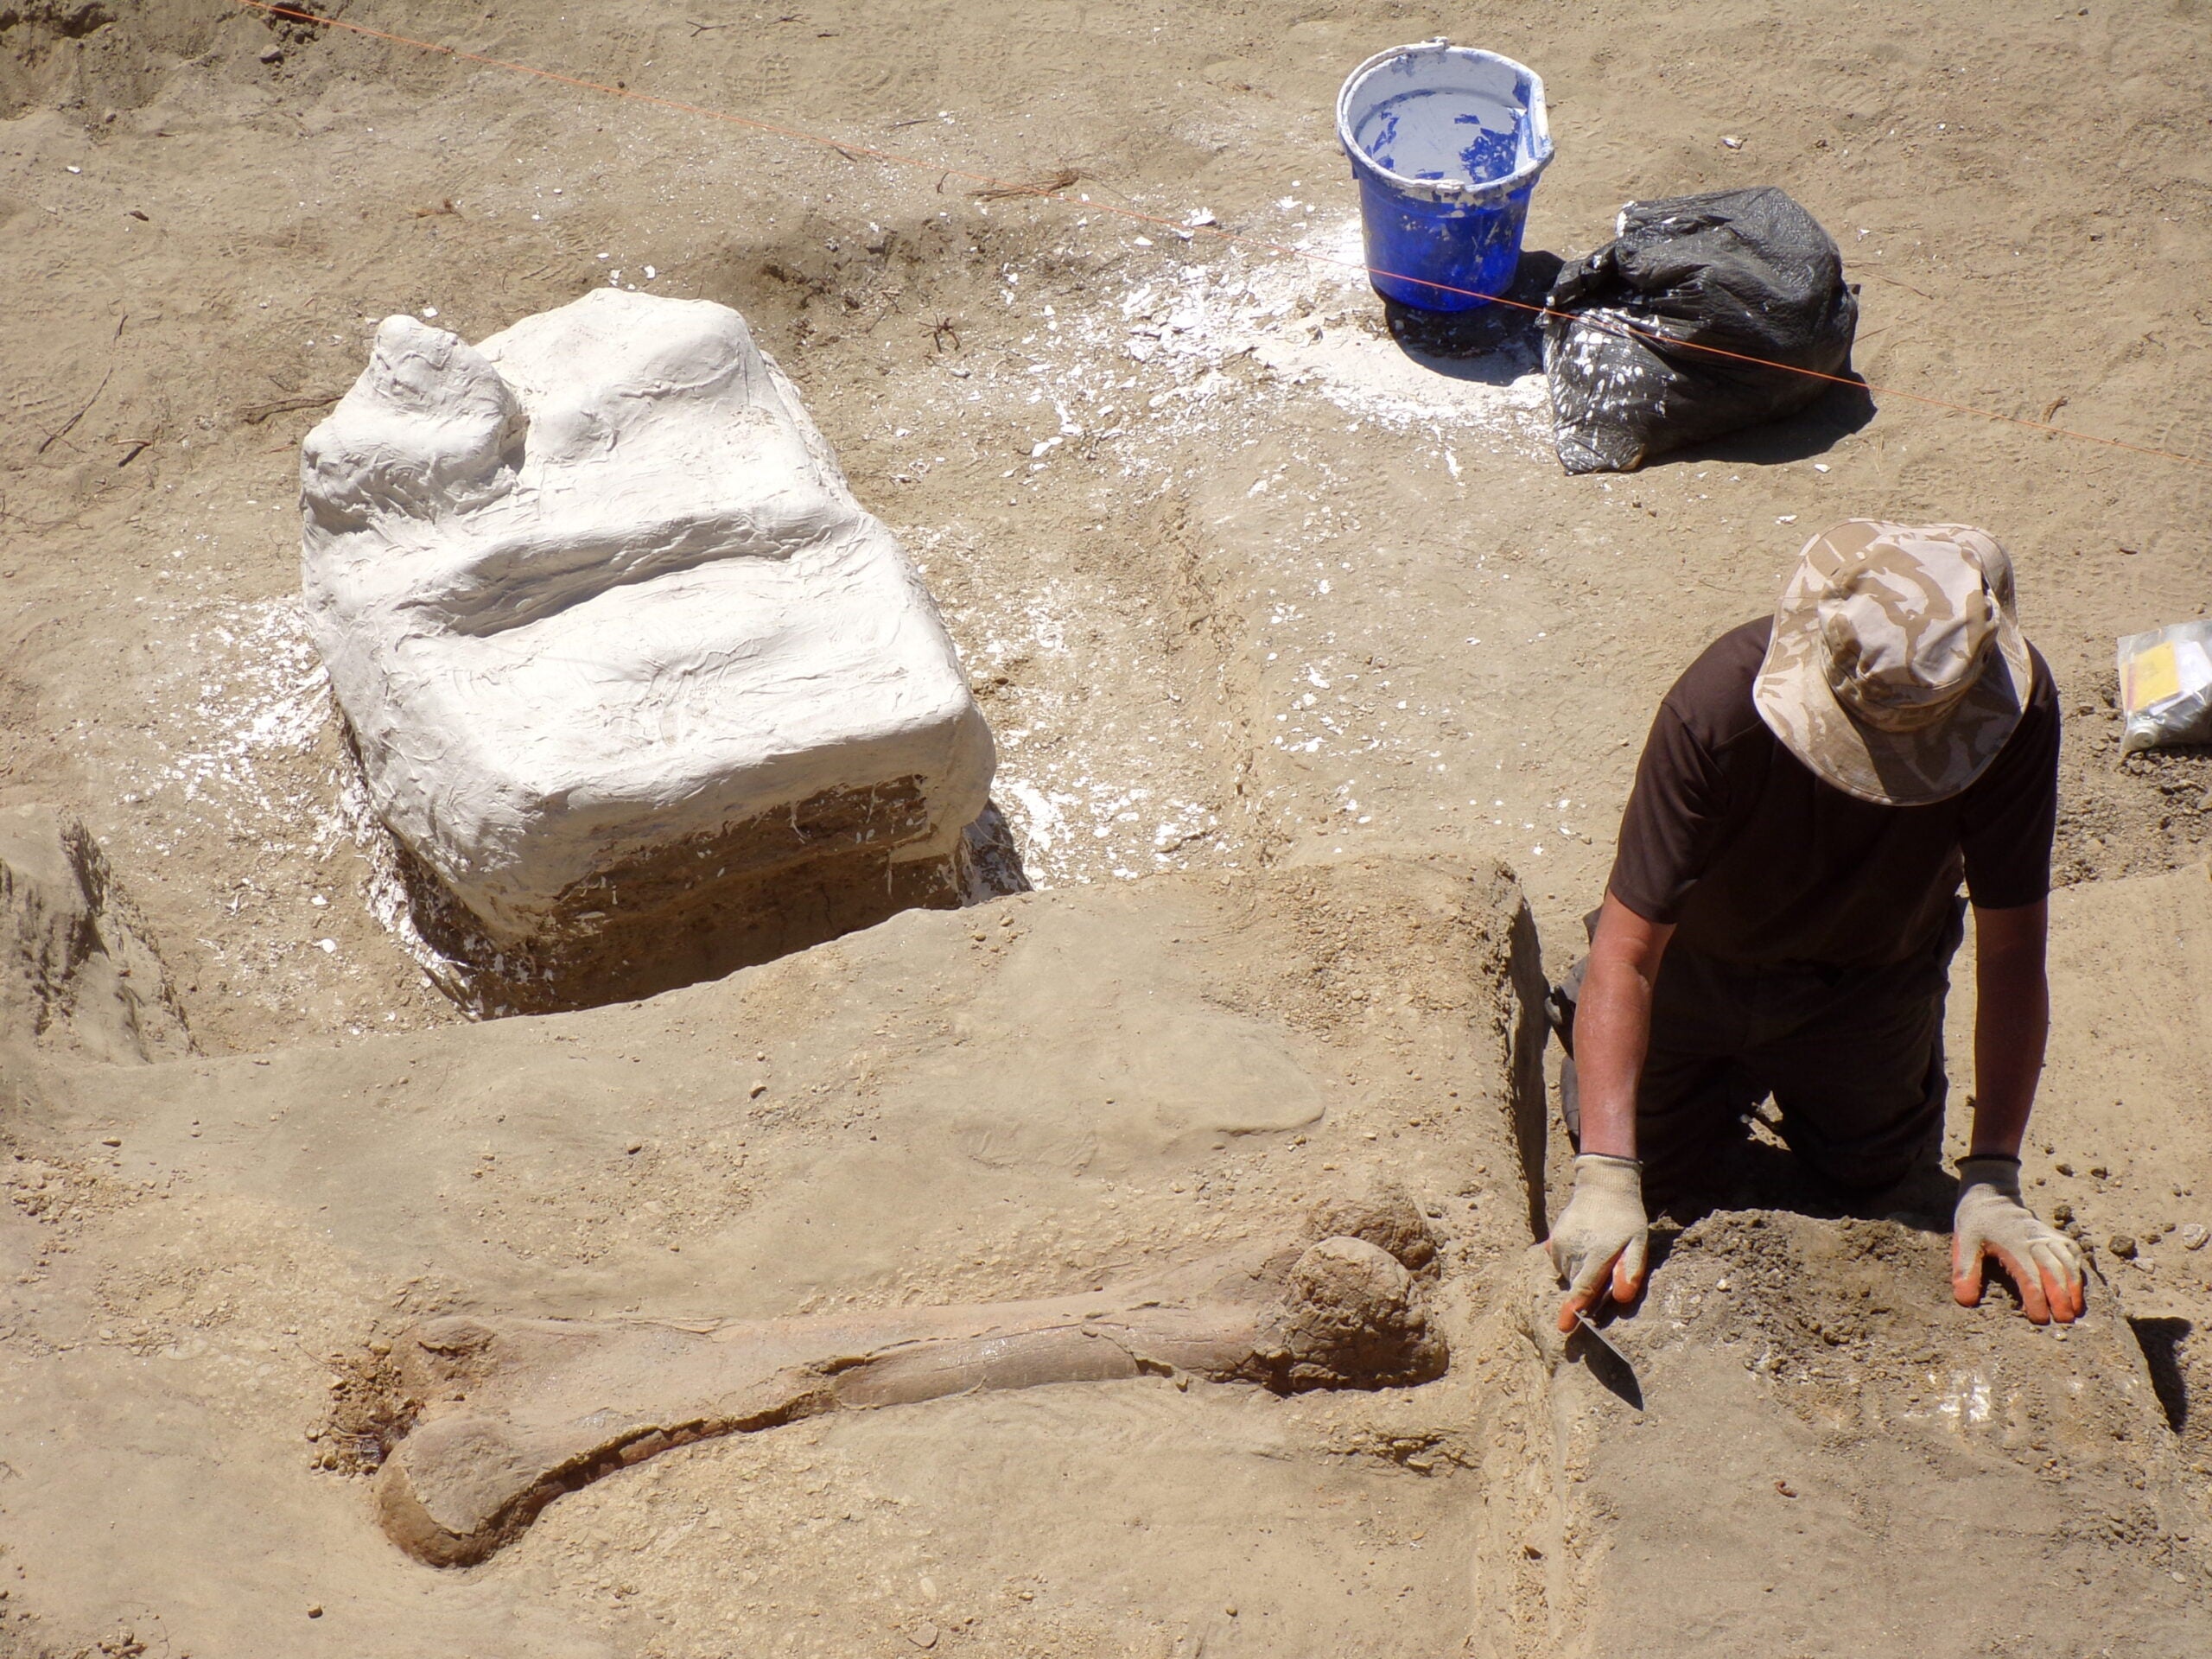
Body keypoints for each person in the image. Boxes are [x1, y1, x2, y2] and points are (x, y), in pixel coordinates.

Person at [1545, 520, 2086, 1331]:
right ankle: (1625, 1071)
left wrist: (1995, 1175)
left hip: (1868, 984)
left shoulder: (2010, 713)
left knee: (1877, 1178)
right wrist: (1606, 1174)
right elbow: (1630, 955)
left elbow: (2013, 952)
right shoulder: (1718, 707)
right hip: (1698, 967)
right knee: (1652, 1170)